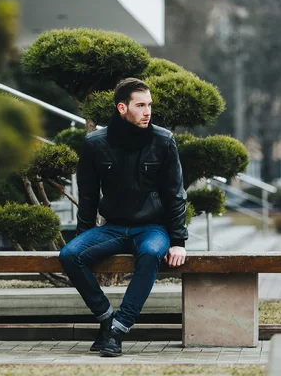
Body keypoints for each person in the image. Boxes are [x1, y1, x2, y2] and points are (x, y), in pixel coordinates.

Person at [58, 77, 188, 357]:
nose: (147, 111)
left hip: (152, 228)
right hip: (114, 227)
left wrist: (178, 240)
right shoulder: (95, 143)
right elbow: (89, 196)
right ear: (122, 108)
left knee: (152, 253)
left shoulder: (163, 141)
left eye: (149, 105)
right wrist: (84, 235)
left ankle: (118, 330)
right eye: (140, 105)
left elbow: (175, 194)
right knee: (70, 254)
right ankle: (106, 318)